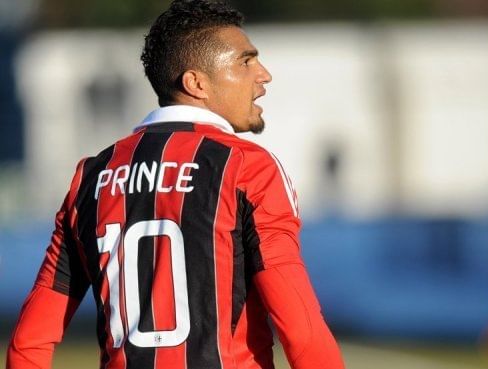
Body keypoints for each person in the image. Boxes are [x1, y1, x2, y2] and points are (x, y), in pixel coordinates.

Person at [6, 1, 345, 368]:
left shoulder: (90, 177)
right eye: (245, 61)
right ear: (196, 83)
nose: (263, 75)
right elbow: (301, 327)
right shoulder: (248, 167)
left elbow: (30, 341)